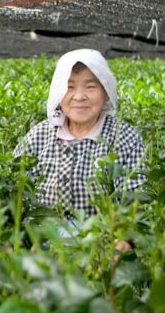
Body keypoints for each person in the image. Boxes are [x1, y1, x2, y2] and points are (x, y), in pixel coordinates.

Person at [14, 48, 146, 219]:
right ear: (58, 93)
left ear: (106, 93)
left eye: (90, 87)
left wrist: (121, 234)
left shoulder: (126, 138)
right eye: (69, 87)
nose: (79, 96)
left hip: (100, 239)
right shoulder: (39, 134)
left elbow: (135, 199)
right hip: (40, 238)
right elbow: (15, 186)